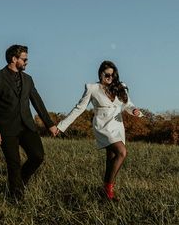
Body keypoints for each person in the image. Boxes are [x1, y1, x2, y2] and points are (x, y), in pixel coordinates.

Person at [56, 60, 143, 201]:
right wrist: (62, 126)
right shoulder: (92, 88)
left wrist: (134, 110)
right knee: (122, 152)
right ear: (101, 74)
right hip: (103, 126)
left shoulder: (121, 86)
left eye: (113, 75)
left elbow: (128, 104)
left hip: (117, 125)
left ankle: (105, 192)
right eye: (107, 75)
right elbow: (79, 108)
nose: (110, 78)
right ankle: (109, 190)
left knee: (111, 159)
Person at [0, 44, 57, 200]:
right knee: (14, 163)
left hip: (27, 126)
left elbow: (37, 102)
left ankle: (20, 182)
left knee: (38, 156)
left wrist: (49, 123)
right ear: (14, 59)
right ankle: (16, 198)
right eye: (24, 59)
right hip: (6, 129)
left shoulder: (28, 79)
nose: (26, 62)